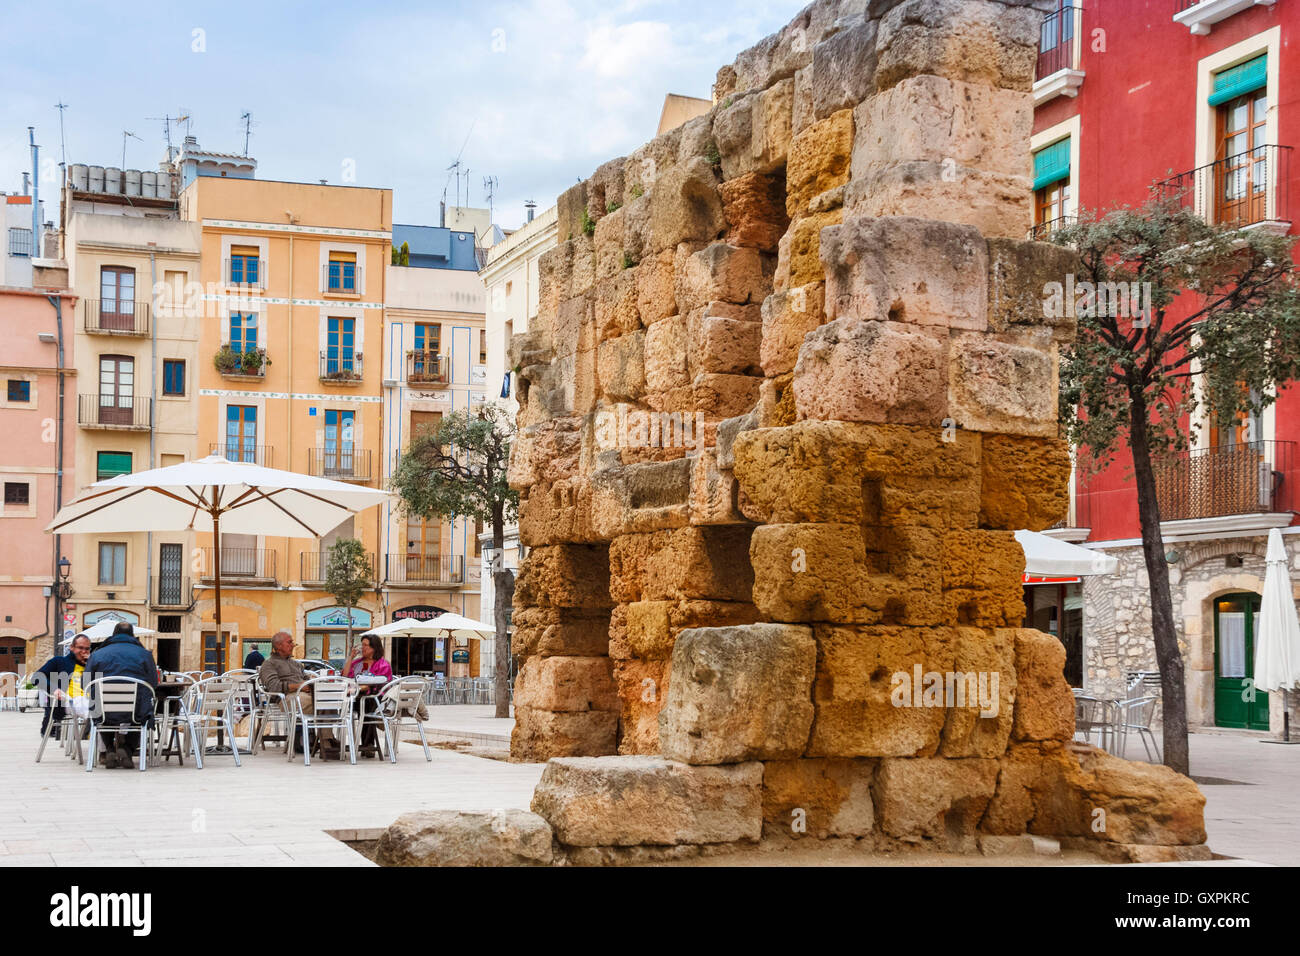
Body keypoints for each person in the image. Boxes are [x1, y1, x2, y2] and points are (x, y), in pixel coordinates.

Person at [85, 622, 159, 769]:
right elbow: (153, 683)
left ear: (114, 634)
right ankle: (127, 750)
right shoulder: (144, 654)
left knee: (101, 710)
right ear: (133, 635)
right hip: (134, 710)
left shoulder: (97, 654)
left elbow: (87, 683)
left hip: (104, 709)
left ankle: (109, 749)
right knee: (141, 714)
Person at [259, 631, 338, 758]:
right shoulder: (269, 664)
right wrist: (300, 686)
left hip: (306, 694)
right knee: (322, 704)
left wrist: (311, 681)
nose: (293, 644)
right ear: (278, 646)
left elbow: (306, 678)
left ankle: (327, 741)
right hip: (287, 698)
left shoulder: (295, 663)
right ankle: (327, 742)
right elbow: (274, 687)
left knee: (328, 701)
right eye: (289, 642)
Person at [35, 633, 92, 739]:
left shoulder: (92, 664)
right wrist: (54, 689)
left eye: (87, 649)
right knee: (96, 711)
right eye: (80, 648)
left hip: (89, 700)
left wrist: (90, 663)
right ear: (71, 647)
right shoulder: (60, 661)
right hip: (67, 702)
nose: (84, 651)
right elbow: (37, 677)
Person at [344, 635, 393, 757]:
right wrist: (351, 657)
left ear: (374, 647)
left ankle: (368, 744)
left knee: (366, 705)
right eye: (362, 645)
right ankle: (366, 745)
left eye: (365, 645)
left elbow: (378, 684)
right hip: (355, 697)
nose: (362, 648)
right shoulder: (357, 663)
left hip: (377, 699)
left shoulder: (382, 664)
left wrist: (362, 686)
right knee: (358, 705)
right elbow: (345, 676)